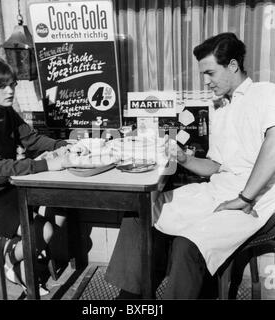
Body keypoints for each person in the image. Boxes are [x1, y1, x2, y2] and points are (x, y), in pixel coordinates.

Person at [105, 32, 275, 299]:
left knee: (189, 245)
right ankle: (131, 298)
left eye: (210, 73)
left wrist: (244, 197)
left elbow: (274, 145)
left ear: (232, 65)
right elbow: (217, 166)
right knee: (142, 212)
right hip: (218, 191)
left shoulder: (266, 93)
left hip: (257, 201)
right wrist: (185, 159)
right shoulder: (220, 108)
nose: (205, 82)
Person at [0, 54, 74, 296]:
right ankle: (13, 259)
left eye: (12, 84)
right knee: (44, 230)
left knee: (60, 208)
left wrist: (63, 145)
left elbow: (31, 139)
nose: (10, 91)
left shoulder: (5, 110)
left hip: (6, 188)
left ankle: (30, 265)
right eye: (2, 86)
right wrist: (50, 166)